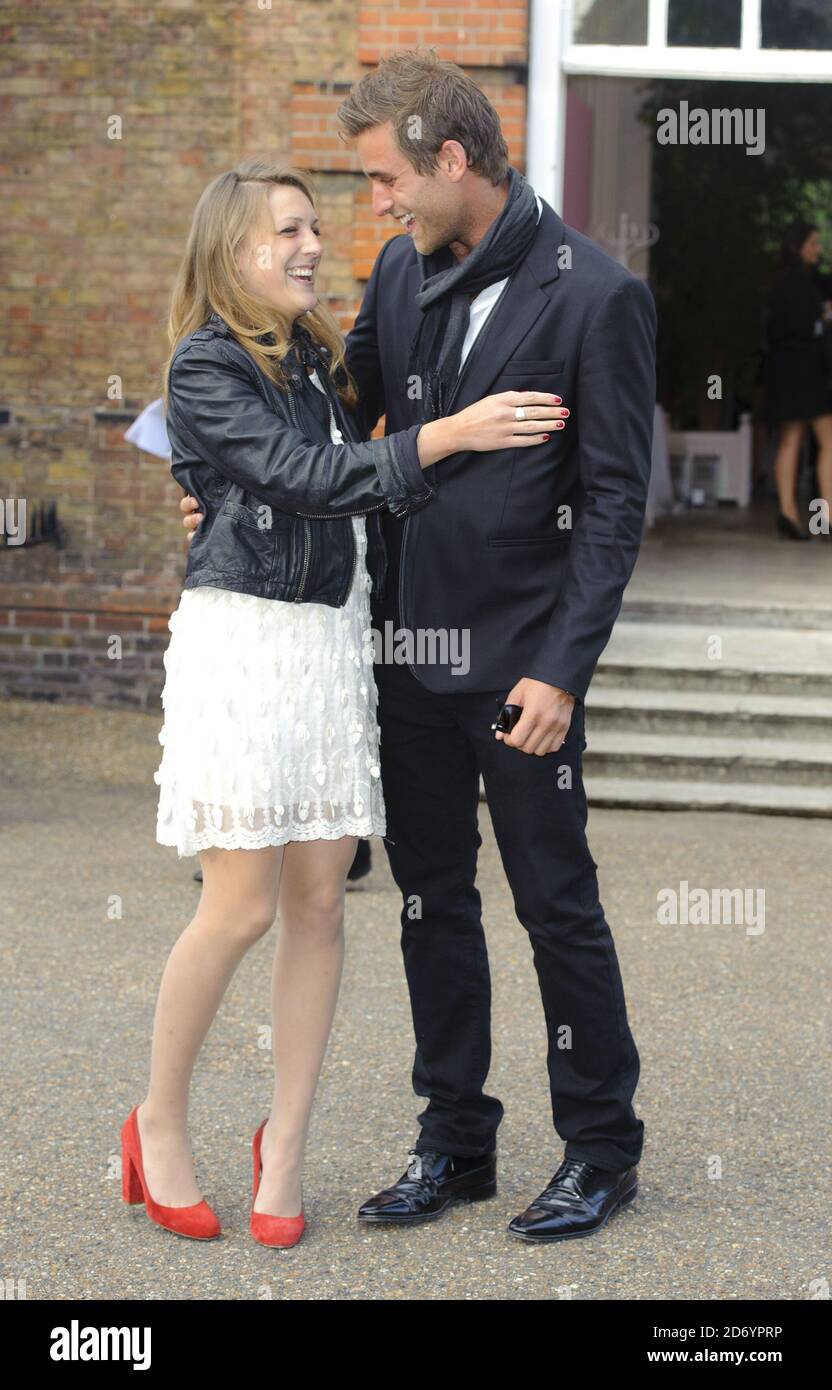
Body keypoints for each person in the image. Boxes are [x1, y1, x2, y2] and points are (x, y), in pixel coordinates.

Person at [181, 49, 656, 1245]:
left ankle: (600, 1147)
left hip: (522, 672)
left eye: (387, 179)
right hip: (398, 657)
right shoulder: (397, 271)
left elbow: (610, 509)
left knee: (558, 906)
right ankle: (456, 1137)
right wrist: (219, 493)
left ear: (452, 161)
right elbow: (332, 429)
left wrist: (561, 669)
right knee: (430, 905)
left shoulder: (596, 296)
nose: (375, 206)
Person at [123, 154, 566, 1248]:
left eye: (314, 228)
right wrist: (451, 434)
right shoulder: (203, 366)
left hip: (327, 647)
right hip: (246, 650)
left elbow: (330, 480)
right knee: (241, 906)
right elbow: (311, 479)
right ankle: (158, 1123)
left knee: (321, 905)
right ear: (230, 249)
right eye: (286, 232)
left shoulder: (319, 359)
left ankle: (285, 1143)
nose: (312, 246)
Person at [763, 217, 832, 539]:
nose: (818, 250)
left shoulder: (781, 281)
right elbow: (806, 325)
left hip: (786, 371)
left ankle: (788, 512)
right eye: (814, 244)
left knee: (791, 439)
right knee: (828, 440)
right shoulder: (799, 284)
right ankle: (827, 514)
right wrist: (824, 316)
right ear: (799, 247)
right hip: (806, 371)